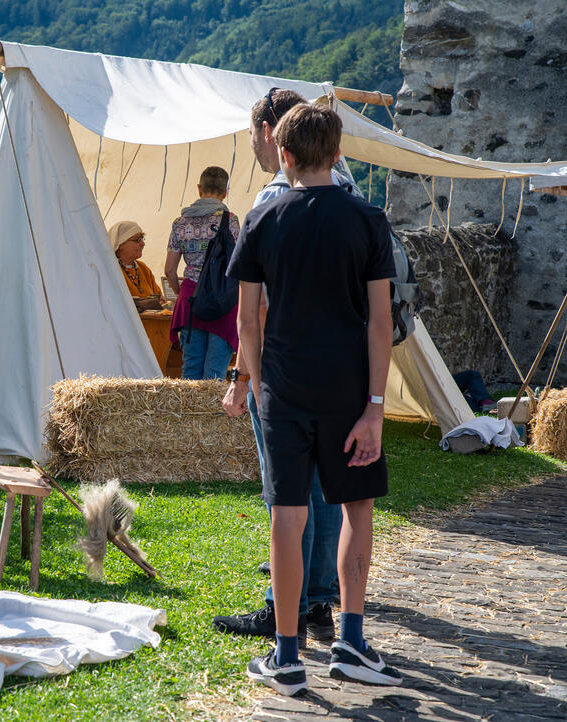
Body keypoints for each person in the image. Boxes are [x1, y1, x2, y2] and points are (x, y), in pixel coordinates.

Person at [228, 102, 402, 695]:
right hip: (352, 389)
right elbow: (381, 324)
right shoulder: (367, 220)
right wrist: (376, 404)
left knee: (287, 515)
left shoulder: (261, 220)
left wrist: (255, 382)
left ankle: (287, 654)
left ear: (284, 153)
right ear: (338, 153)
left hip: (283, 386)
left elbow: (248, 319)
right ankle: (350, 640)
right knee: (355, 509)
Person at [212, 89, 346, 646]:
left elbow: (255, 309)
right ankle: (319, 602)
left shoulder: (272, 203)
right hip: (339, 368)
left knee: (286, 494)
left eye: (251, 133)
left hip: (285, 369)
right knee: (326, 492)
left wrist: (244, 380)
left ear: (273, 133)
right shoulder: (350, 192)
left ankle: (283, 609)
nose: (252, 145)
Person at [164, 166, 241, 380]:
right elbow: (240, 265)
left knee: (190, 369)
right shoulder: (230, 221)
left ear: (199, 189)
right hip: (222, 299)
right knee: (215, 372)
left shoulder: (180, 223)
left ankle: (188, 414)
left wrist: (182, 293)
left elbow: (169, 270)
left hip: (191, 298)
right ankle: (211, 414)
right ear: (225, 191)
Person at [109, 221, 163, 308]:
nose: (143, 243)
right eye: (138, 240)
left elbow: (161, 299)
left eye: (142, 238)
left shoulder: (142, 268)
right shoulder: (111, 270)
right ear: (120, 244)